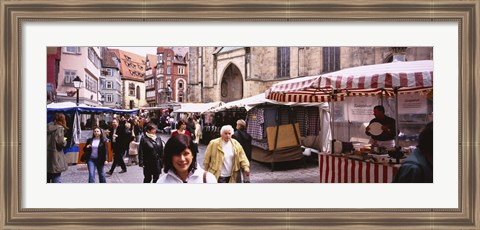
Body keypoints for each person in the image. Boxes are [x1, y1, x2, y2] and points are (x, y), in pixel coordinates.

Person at [47, 113, 69, 183]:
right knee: (56, 176)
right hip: (55, 156)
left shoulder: (47, 127)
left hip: (46, 156)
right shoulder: (59, 129)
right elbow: (60, 143)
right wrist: (65, 141)